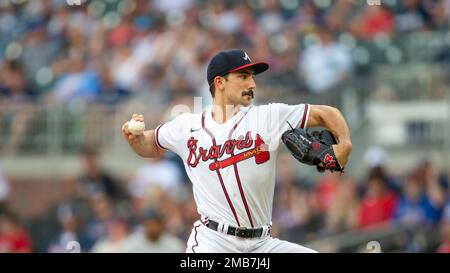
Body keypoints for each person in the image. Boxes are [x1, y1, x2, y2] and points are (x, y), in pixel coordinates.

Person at [122, 49, 352, 253]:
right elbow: (150, 145)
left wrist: (344, 145)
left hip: (262, 243)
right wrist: (135, 139)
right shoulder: (187, 126)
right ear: (220, 82)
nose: (251, 84)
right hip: (214, 241)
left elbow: (325, 113)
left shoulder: (268, 116)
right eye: (243, 76)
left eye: (252, 77)